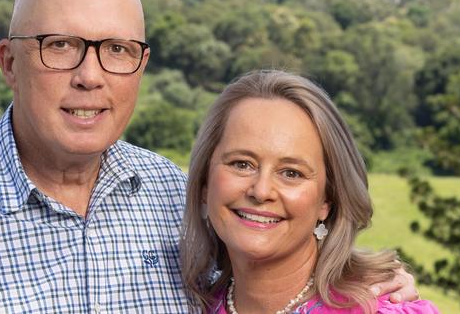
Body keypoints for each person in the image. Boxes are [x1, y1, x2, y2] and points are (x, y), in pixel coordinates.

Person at [0, 0, 419, 313]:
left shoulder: (177, 197)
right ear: (9, 61)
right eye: (60, 45)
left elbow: (275, 258)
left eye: (117, 50)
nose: (90, 76)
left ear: (140, 65)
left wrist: (368, 282)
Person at [180, 70, 439, 314]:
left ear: (327, 200)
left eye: (291, 173)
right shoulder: (188, 304)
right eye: (242, 164)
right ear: (204, 182)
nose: (261, 191)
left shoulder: (380, 308)